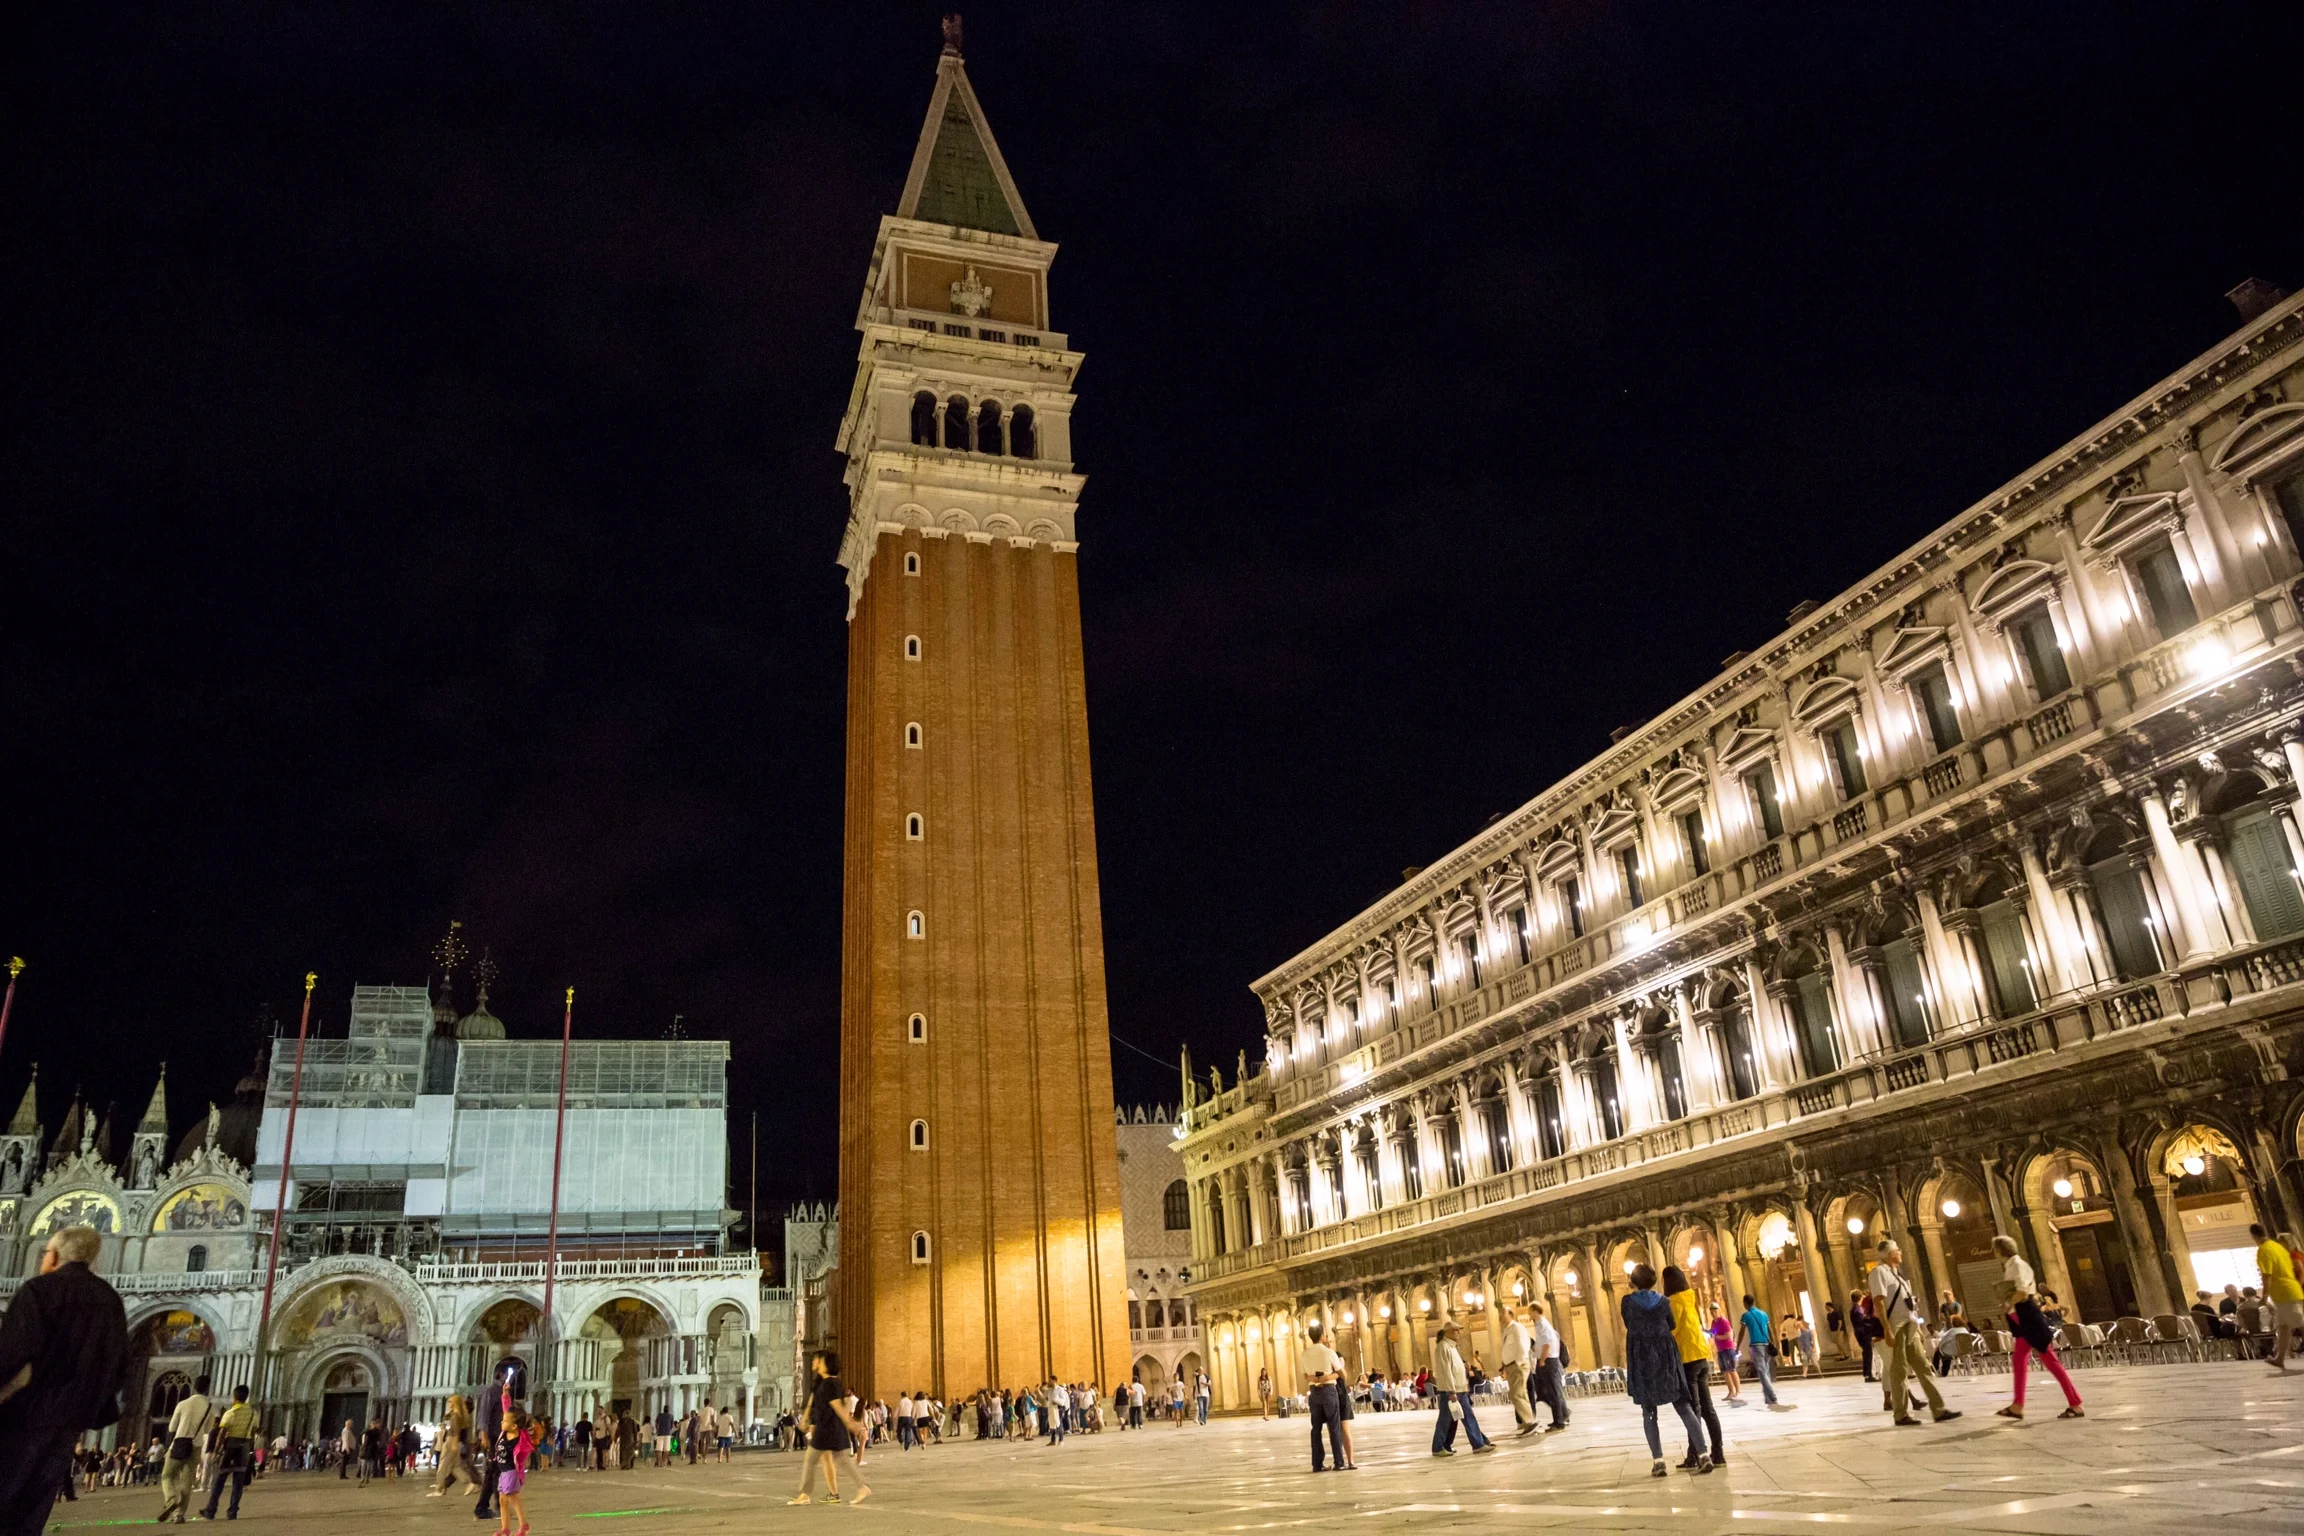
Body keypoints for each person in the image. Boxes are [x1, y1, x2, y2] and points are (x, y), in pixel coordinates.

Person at [0, 1226, 129, 1536]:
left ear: (54, 1255)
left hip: (24, 1414)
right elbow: (118, 1364)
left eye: (45, 1252)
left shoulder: (39, 1290)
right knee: (36, 1503)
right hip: (71, 1420)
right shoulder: (109, 1299)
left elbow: (11, 1353)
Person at [1622, 1265, 1708, 1478]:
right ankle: (1704, 1454)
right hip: (1665, 1355)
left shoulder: (1628, 1303)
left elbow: (1628, 1322)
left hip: (1642, 1358)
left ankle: (1659, 1461)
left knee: (1649, 1411)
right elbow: (1671, 1324)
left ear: (1634, 1281)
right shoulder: (1664, 1302)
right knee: (1682, 1405)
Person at [1870, 1240, 1962, 1426]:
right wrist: (1887, 1330)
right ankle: (1901, 1414)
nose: (1901, 1252)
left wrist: (1918, 1328)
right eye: (1897, 1250)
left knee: (1923, 1366)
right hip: (1896, 1326)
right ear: (1889, 1255)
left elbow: (1908, 1303)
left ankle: (1939, 1409)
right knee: (1899, 1370)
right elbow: (1878, 1303)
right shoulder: (1879, 1273)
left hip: (1909, 1326)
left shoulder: (1897, 1274)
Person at [1988, 1235, 2080, 1420]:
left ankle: (2075, 1403)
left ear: (1999, 1250)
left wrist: (2007, 1302)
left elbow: (2022, 1291)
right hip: (2021, 1318)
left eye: (1995, 1249)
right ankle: (2017, 1406)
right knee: (2019, 1360)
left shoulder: (2017, 1265)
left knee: (2050, 1361)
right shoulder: (2012, 1265)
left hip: (2027, 1316)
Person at [1663, 1266, 1725, 1470]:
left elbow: (1674, 1329)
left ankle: (1696, 1454)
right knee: (1708, 1408)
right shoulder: (1690, 1297)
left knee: (1693, 1409)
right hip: (1701, 1355)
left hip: (1687, 1358)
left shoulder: (1673, 1302)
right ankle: (1718, 1452)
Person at [790, 1351, 870, 1505]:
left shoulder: (830, 1384)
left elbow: (838, 1406)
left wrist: (851, 1424)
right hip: (829, 1427)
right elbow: (820, 1403)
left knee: (811, 1459)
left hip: (827, 1428)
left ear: (826, 1363)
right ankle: (861, 1487)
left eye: (818, 1359)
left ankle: (805, 1494)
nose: (814, 1362)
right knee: (841, 1460)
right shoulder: (827, 1382)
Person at [1428, 1319, 1493, 1457]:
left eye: (1458, 1330)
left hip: (1459, 1389)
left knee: (1455, 1419)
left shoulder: (1452, 1347)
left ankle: (1445, 1445)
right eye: (1455, 1330)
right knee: (1449, 1419)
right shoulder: (1443, 1347)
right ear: (1448, 1332)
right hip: (1452, 1390)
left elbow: (1454, 1367)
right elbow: (1445, 1371)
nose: (1458, 1332)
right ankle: (1440, 1447)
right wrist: (1451, 1391)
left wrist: (1463, 1368)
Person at [158, 1373, 216, 1523]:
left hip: (178, 1444)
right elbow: (208, 1430)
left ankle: (171, 1499)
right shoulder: (210, 1407)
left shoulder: (183, 1404)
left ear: (194, 1388)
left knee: (167, 1475)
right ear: (207, 1389)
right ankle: (179, 1515)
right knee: (187, 1481)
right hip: (196, 1446)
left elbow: (172, 1427)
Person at [197, 1384, 259, 1520]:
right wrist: (251, 1450)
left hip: (231, 1447)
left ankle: (211, 1510)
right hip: (245, 1447)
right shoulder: (254, 1414)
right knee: (238, 1482)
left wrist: (216, 1451)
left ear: (235, 1397)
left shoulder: (230, 1413)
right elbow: (254, 1432)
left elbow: (221, 1434)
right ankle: (233, 1512)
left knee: (219, 1480)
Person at [1300, 1317, 1351, 1471]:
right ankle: (1339, 1462)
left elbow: (1305, 1376)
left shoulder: (1305, 1353)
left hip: (1314, 1392)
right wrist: (1333, 1374)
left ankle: (1317, 1464)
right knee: (1334, 1427)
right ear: (1322, 1336)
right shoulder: (1328, 1352)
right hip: (1329, 1391)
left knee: (1315, 1429)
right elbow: (1343, 1374)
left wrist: (1314, 1378)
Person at [2255, 1223, 2304, 1371]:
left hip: (2293, 1292)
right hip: (2288, 1293)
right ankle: (2279, 1358)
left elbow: (2300, 1275)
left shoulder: (2293, 1255)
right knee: (2284, 1326)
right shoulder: (2285, 1255)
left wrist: (2265, 1294)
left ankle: (2279, 1358)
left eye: (2281, 1242)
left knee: (2297, 1323)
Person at [1734, 1295, 1790, 1409]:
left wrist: (1737, 1346)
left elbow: (1741, 1332)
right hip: (1766, 1344)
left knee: (1762, 1371)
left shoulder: (1746, 1315)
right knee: (1766, 1371)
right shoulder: (1764, 1314)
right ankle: (1767, 1397)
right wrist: (1774, 1342)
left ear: (1745, 1303)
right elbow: (1769, 1330)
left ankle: (1772, 1396)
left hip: (1756, 1344)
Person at [492, 1384, 534, 1536]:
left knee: (512, 1497)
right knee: (503, 1500)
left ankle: (523, 1525)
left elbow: (523, 1453)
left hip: (511, 1471)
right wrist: (505, 1395)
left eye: (505, 1421)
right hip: (503, 1471)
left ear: (515, 1426)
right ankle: (505, 1529)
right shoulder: (505, 1432)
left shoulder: (519, 1438)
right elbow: (507, 1410)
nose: (502, 1422)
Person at [1499, 1303, 1539, 1436]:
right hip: (1511, 1366)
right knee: (1519, 1394)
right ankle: (1525, 1421)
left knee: (1517, 1394)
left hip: (1518, 1365)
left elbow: (1524, 1344)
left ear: (1511, 1315)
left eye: (1502, 1314)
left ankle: (1530, 1422)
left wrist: (1519, 1362)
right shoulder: (1507, 1330)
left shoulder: (1517, 1327)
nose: (1500, 1316)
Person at [1529, 1302, 1570, 1430]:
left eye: (1530, 1311)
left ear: (1535, 1311)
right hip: (1546, 1360)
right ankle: (1563, 1413)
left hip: (1548, 1361)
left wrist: (1542, 1360)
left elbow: (1547, 1344)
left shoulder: (1542, 1325)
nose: (1528, 1314)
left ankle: (1559, 1421)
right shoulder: (1540, 1324)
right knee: (1543, 1391)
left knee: (1553, 1391)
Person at [431, 1393, 478, 1497]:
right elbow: (446, 1418)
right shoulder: (458, 1414)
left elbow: (455, 1432)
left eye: (451, 1402)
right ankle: (470, 1484)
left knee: (442, 1466)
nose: (449, 1403)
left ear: (455, 1403)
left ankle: (438, 1489)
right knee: (455, 1467)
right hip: (455, 1443)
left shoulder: (456, 1416)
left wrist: (453, 1445)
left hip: (450, 1442)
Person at [1708, 1308, 1743, 1403]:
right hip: (1720, 1350)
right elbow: (1712, 1331)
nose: (1713, 1313)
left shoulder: (1724, 1321)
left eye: (1715, 1311)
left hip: (1728, 1348)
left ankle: (1738, 1391)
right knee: (1725, 1371)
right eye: (1712, 1312)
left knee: (1732, 1370)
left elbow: (1729, 1335)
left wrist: (1717, 1337)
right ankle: (1731, 1391)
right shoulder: (1714, 1322)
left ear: (1719, 1311)